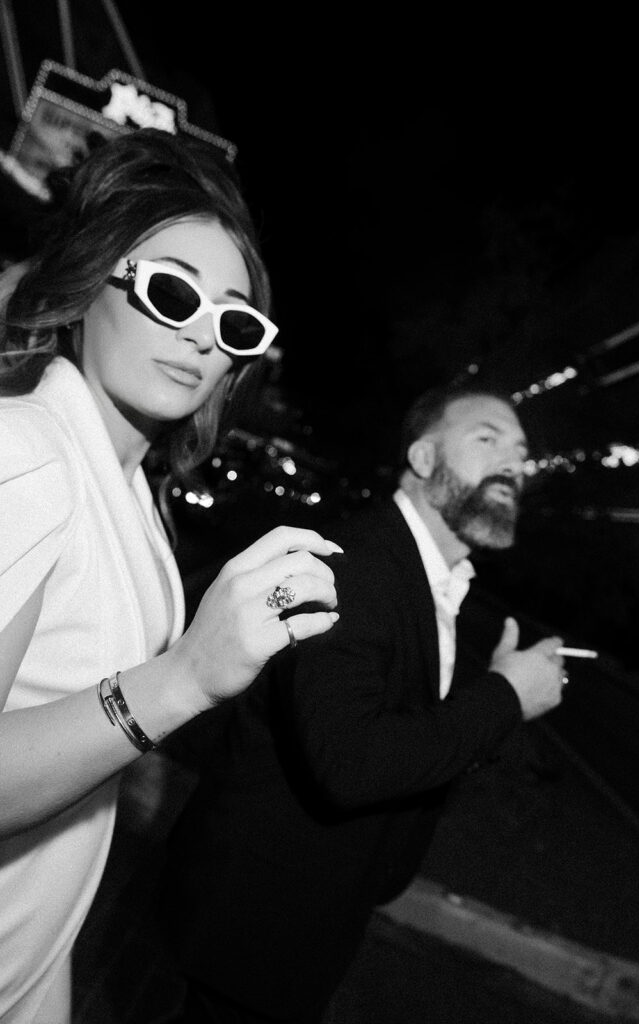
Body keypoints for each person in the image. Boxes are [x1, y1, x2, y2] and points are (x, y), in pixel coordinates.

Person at [0, 127, 342, 1024]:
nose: (199, 336)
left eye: (231, 320)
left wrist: (46, 987)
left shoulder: (127, 484)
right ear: (89, 281)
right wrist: (185, 675)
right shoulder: (27, 458)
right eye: (170, 291)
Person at [160, 382, 568, 1024]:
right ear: (425, 458)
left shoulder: (434, 581)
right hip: (252, 931)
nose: (513, 465)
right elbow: (350, 760)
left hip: (307, 924)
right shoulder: (355, 566)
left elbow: (406, 737)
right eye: (487, 440)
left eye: (520, 452)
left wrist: (494, 700)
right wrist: (507, 695)